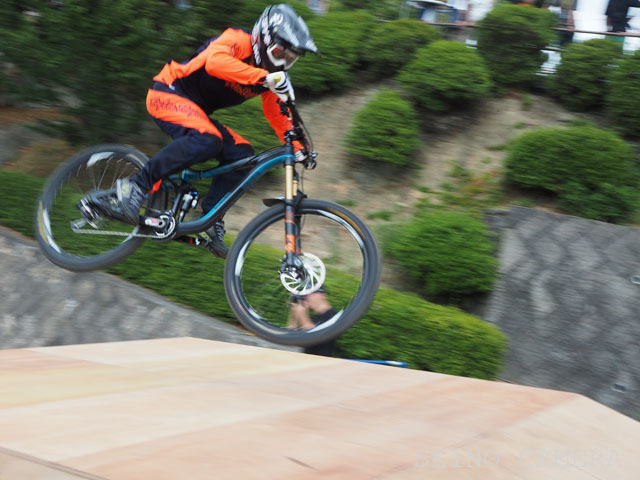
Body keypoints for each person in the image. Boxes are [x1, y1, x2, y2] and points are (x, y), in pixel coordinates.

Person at [84, 4, 317, 258]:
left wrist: (301, 148)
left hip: (196, 114)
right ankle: (135, 186)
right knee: (208, 139)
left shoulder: (270, 77)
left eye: (290, 59)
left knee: (243, 154)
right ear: (263, 38)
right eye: (280, 53)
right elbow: (215, 63)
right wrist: (263, 78)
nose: (282, 63)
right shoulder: (239, 40)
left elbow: (279, 115)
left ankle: (211, 218)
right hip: (168, 92)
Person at [288, 287, 339, 357]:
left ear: (323, 295)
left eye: (310, 293)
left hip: (321, 360)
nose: (306, 297)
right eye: (305, 295)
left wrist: (302, 314)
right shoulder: (313, 318)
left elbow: (315, 335)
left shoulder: (334, 315)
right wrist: (294, 312)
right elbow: (292, 334)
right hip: (306, 359)